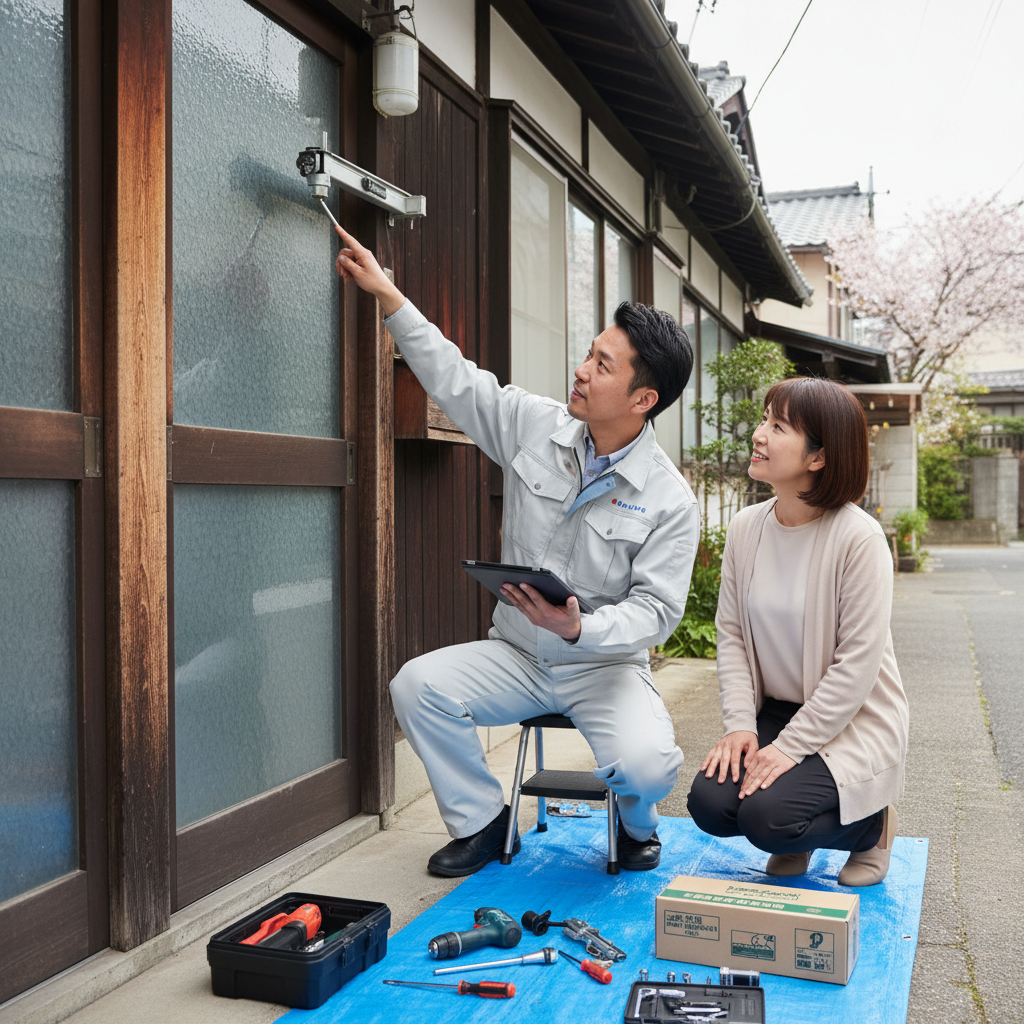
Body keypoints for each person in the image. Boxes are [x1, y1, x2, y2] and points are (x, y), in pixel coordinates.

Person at [332, 224, 698, 876]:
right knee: (417, 686)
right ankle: (481, 821)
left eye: (602, 366)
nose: (581, 371)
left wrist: (582, 624)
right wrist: (387, 295)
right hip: (518, 655)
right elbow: (454, 379)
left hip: (603, 669)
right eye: (589, 354)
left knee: (647, 765)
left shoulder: (670, 499)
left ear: (643, 400)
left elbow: (658, 613)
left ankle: (638, 826)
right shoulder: (537, 426)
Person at [686, 377, 909, 886]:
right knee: (711, 805)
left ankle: (871, 827)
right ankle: (798, 832)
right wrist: (741, 724)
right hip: (778, 711)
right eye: (764, 419)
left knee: (768, 820)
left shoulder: (859, 537)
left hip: (851, 718)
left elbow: (857, 667)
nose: (759, 435)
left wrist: (789, 749)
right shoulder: (747, 527)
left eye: (778, 426)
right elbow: (733, 636)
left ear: (817, 458)